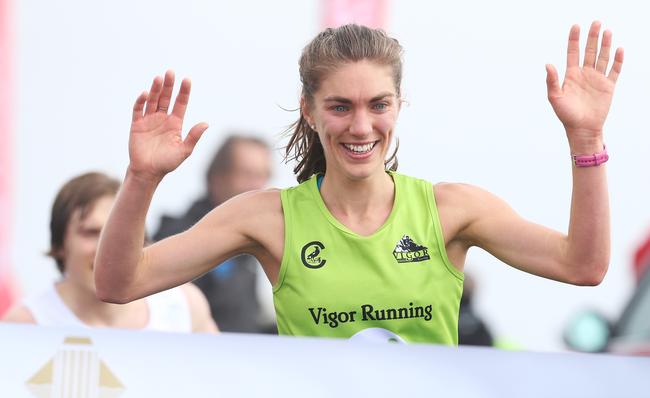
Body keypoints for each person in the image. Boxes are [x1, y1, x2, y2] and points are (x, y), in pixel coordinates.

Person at [95, 22, 623, 345]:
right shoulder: (267, 218)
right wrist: (141, 178)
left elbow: (582, 265)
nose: (362, 126)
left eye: (379, 104)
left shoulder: (452, 209)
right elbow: (119, 284)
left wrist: (586, 137)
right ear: (309, 111)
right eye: (340, 107)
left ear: (400, 104)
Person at [2, 172, 217, 333]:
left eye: (120, 234)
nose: (108, 249)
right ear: (59, 246)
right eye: (91, 233)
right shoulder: (26, 325)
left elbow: (220, 383)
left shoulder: (184, 305)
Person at [153, 135, 275, 333]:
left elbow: (246, 323)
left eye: (263, 176)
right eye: (247, 174)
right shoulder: (180, 236)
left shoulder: (255, 239)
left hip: (243, 358)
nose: (257, 186)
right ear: (217, 178)